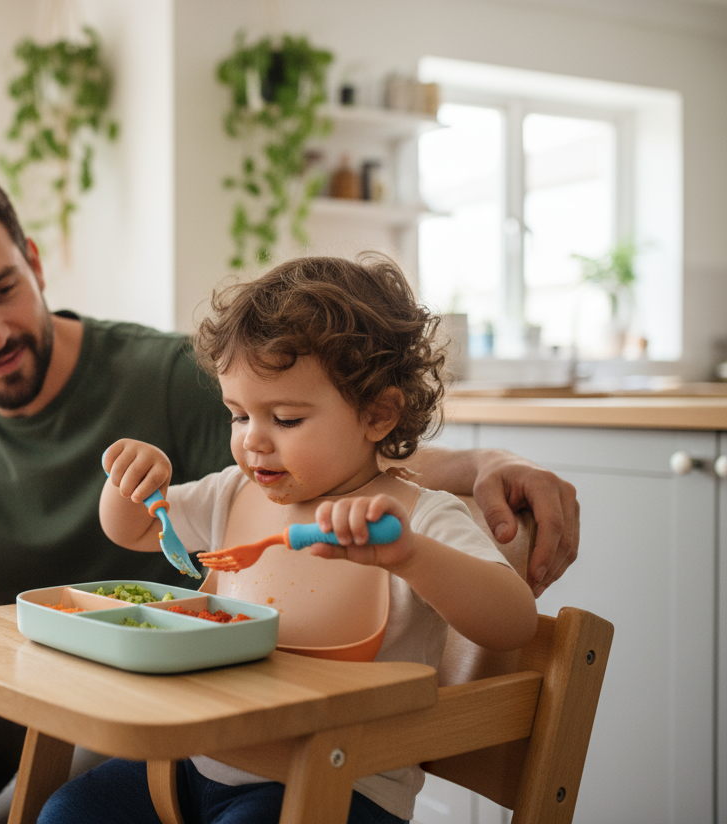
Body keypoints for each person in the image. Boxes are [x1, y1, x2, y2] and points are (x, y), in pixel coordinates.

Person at [0, 164, 576, 824]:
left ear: (32, 263)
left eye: (1, 290)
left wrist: (477, 467)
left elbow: (344, 474)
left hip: (165, 710)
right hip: (18, 685)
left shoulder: (173, 375)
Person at [40, 255, 538, 824]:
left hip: (339, 785)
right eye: (238, 416)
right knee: (69, 811)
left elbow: (514, 621)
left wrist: (411, 557)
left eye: (286, 419)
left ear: (378, 415)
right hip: (193, 763)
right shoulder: (232, 495)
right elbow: (132, 529)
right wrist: (132, 480)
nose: (254, 442)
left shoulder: (417, 519)